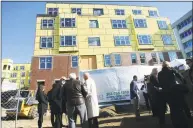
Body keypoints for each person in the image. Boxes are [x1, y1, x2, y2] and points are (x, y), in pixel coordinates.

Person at [158, 61, 189, 128]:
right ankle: (183, 123)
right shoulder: (172, 71)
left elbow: (160, 84)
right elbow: (181, 78)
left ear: (162, 66)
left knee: (172, 108)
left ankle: (175, 124)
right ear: (168, 65)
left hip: (167, 93)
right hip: (175, 92)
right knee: (179, 108)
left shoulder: (159, 74)